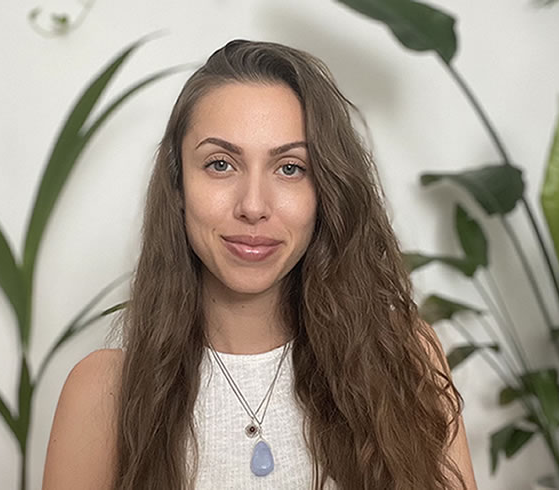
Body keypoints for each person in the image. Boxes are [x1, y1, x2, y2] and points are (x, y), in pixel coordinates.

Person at [42, 39, 479, 490]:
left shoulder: (402, 359)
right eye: (220, 164)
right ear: (178, 185)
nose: (253, 206)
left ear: (326, 192)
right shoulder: (103, 393)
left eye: (290, 168)